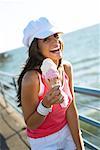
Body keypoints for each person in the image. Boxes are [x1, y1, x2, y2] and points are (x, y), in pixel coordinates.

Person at [17, 17, 85, 150]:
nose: (55, 41)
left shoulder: (66, 68)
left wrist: (79, 144)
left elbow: (71, 108)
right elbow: (31, 124)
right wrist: (45, 105)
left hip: (67, 131)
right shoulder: (31, 78)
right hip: (43, 141)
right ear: (35, 48)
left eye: (55, 35)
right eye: (46, 39)